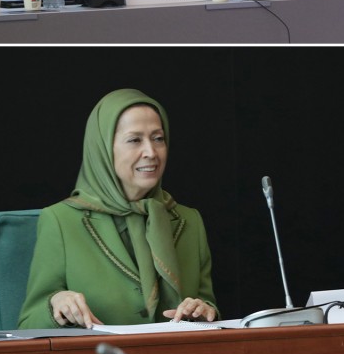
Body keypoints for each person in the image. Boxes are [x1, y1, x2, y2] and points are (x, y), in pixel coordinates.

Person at [17, 89, 219, 329]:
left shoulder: (188, 220)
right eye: (135, 140)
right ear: (102, 148)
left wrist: (205, 311)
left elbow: (207, 304)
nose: (151, 152)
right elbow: (28, 324)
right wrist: (56, 304)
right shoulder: (61, 220)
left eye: (158, 138)